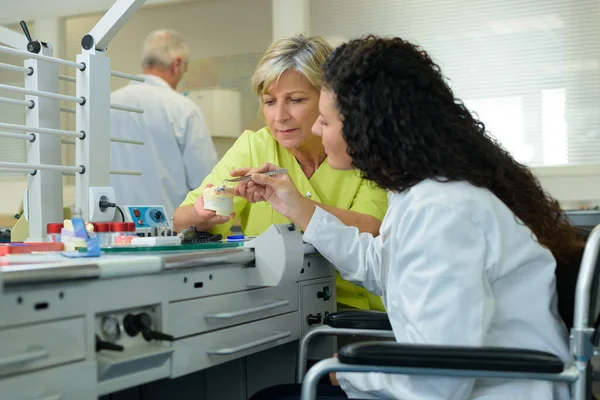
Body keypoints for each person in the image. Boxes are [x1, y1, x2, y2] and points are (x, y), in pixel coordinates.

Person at [247, 36, 583, 399]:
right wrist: (298, 207)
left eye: (326, 121)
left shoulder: (440, 212)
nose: (315, 129)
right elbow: (384, 269)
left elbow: (438, 383)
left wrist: (349, 374)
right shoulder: (422, 194)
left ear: (367, 126)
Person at [174, 35, 389, 313]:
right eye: (269, 102)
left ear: (329, 99)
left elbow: (369, 230)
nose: (279, 116)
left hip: (349, 313)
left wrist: (294, 202)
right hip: (271, 306)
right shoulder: (255, 146)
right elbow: (181, 219)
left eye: (296, 100)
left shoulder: (361, 149)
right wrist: (202, 215)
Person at [110, 29, 218, 218]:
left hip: (109, 233)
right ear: (176, 65)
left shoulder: (105, 105)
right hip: (168, 233)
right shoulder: (184, 110)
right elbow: (206, 183)